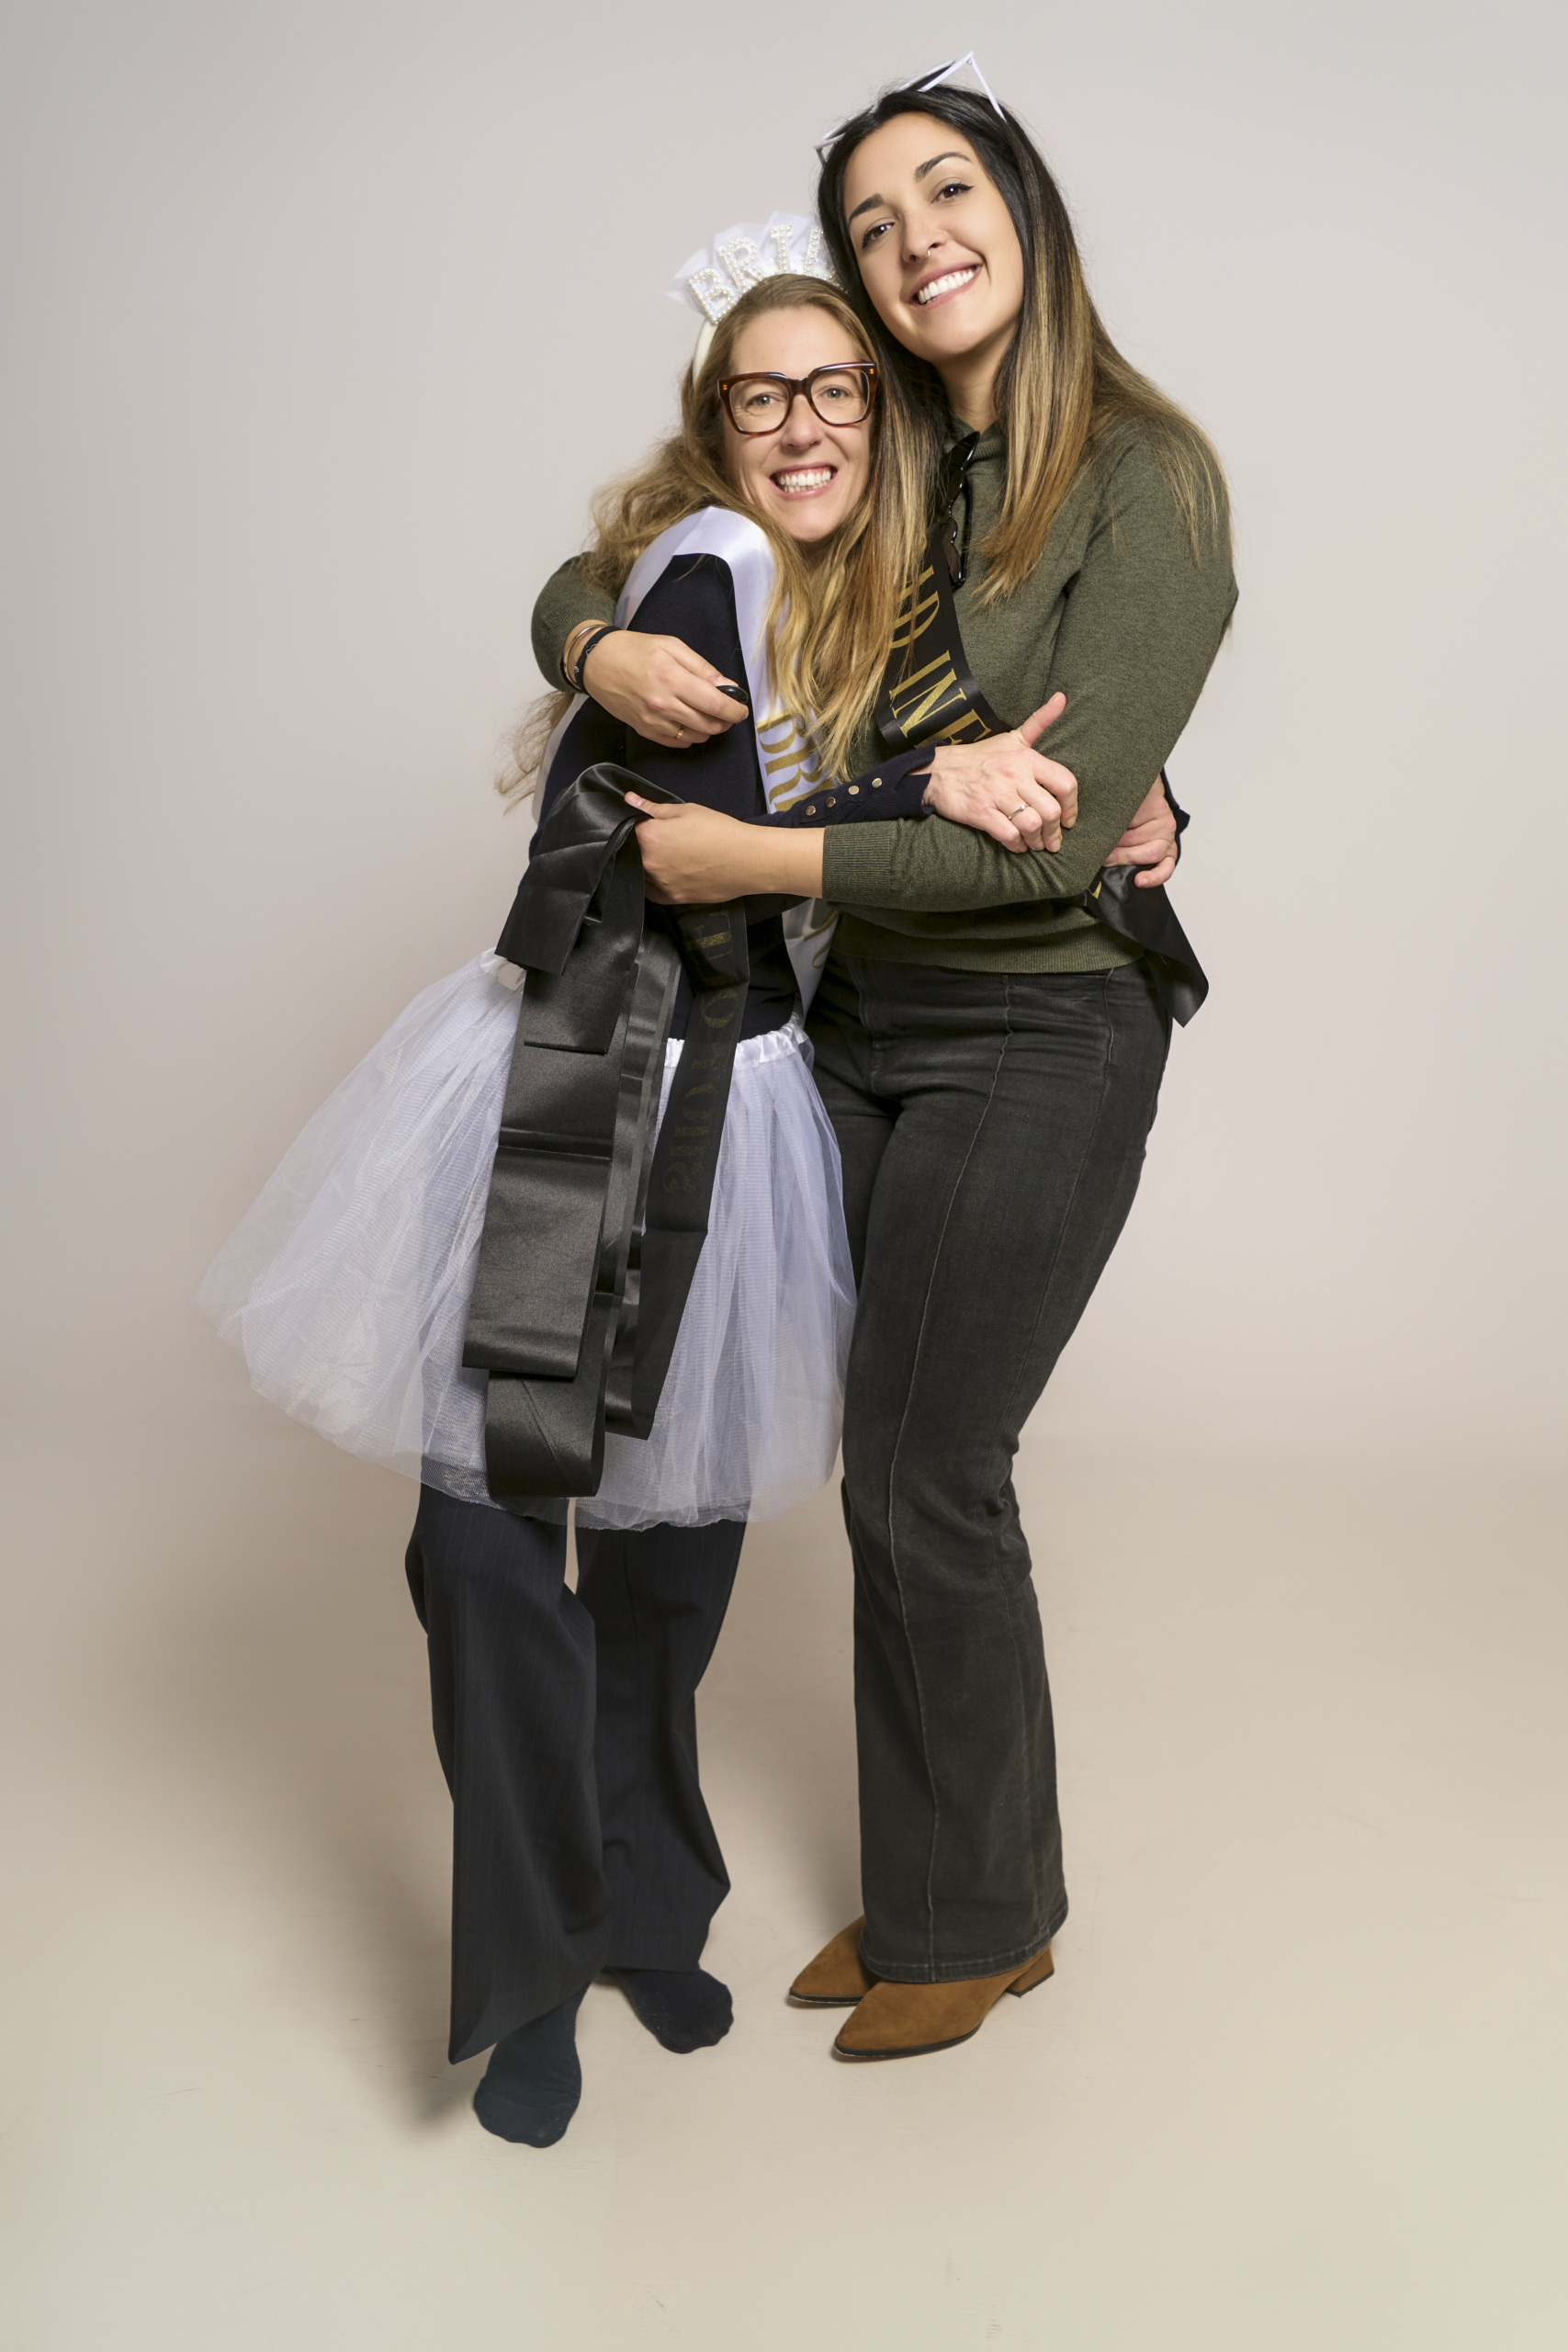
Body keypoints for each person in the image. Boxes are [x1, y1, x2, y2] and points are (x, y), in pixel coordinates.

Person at [198, 254, 1105, 2144]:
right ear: (717, 424)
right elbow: (662, 838)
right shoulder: (702, 562)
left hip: (746, 1096)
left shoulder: (876, 602)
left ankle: (638, 1903)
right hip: (572, 1092)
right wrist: (600, 641)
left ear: (883, 418)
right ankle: (527, 1965)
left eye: (834, 390)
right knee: (489, 1545)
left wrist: (1048, 786)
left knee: (671, 1548)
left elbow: (872, 786)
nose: (797, 424)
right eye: (760, 393)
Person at [531, 64, 1235, 2062]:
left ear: (1019, 206)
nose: (910, 236)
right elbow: (621, 554)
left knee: (935, 1460)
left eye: (944, 190)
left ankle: (975, 1915)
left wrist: (762, 851)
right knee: (882, 1458)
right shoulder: (894, 427)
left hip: (1039, 1020)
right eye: (866, 220)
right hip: (857, 1019)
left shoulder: (1145, 476)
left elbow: (1037, 819)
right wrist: (593, 645)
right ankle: (957, 1885)